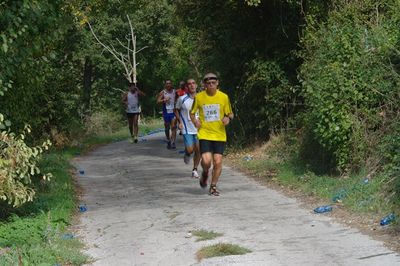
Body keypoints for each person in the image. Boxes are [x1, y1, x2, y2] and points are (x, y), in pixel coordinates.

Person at [190, 73, 233, 196]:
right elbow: (192, 113)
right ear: (204, 85)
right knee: (207, 162)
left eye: (213, 83)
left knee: (218, 161)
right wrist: (195, 121)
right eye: (208, 83)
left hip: (219, 134)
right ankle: (204, 172)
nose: (211, 85)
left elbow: (230, 113)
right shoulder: (199, 97)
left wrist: (228, 119)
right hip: (205, 134)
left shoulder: (224, 97)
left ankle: (213, 186)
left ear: (217, 83)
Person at [174, 78, 201, 178]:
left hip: (199, 128)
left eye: (193, 83)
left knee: (199, 149)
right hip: (186, 127)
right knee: (190, 149)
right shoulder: (182, 99)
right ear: (186, 87)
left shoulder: (201, 98)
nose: (192, 85)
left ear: (196, 85)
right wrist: (179, 122)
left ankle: (195, 169)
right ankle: (187, 153)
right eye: (189, 84)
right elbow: (176, 110)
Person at [157, 79, 177, 149]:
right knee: (167, 127)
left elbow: (178, 99)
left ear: (171, 84)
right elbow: (158, 101)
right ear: (165, 85)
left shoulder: (175, 92)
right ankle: (168, 139)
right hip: (166, 112)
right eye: (167, 83)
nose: (168, 85)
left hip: (173, 112)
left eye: (169, 83)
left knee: (174, 127)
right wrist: (164, 100)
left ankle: (173, 142)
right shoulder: (163, 92)